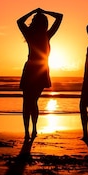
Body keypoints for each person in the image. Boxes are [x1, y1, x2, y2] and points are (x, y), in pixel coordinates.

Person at [17, 7, 63, 140]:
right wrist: (43, 11)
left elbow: (19, 21)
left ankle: (30, 130)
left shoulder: (39, 34)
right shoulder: (44, 35)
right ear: (44, 23)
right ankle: (31, 130)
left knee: (28, 101)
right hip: (38, 69)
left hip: (35, 69)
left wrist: (34, 12)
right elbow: (59, 16)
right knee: (31, 101)